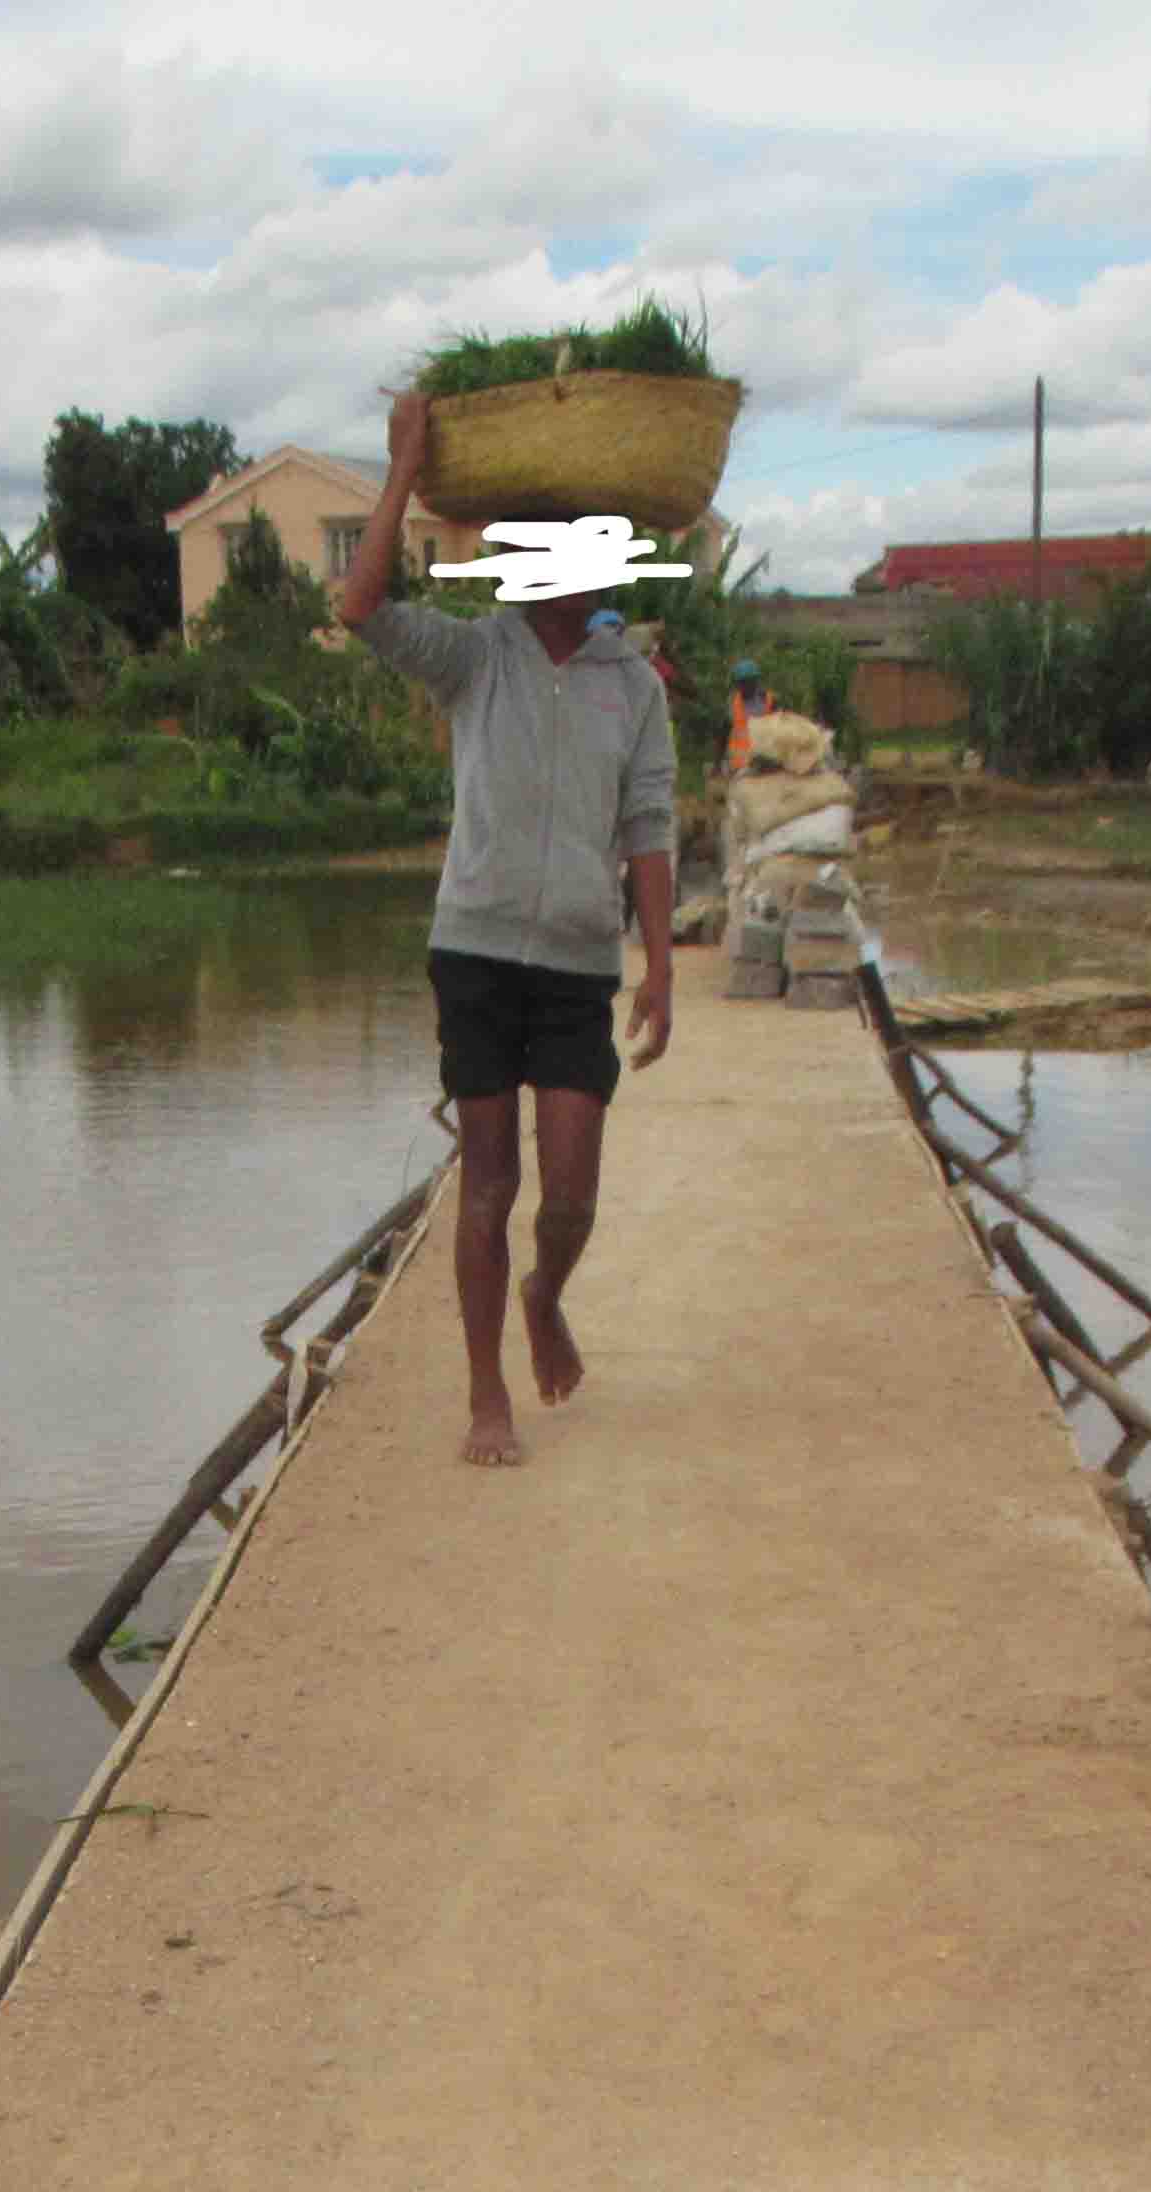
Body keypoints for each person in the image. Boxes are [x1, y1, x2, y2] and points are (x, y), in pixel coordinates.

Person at [336, 389, 677, 1467]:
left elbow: (650, 828)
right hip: (477, 950)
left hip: (578, 960)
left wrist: (661, 967)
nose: (606, 567)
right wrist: (399, 470)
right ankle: (487, 1394)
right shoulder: (475, 659)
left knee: (569, 1194)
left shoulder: (636, 689)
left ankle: (545, 1292)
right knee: (489, 1183)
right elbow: (358, 609)